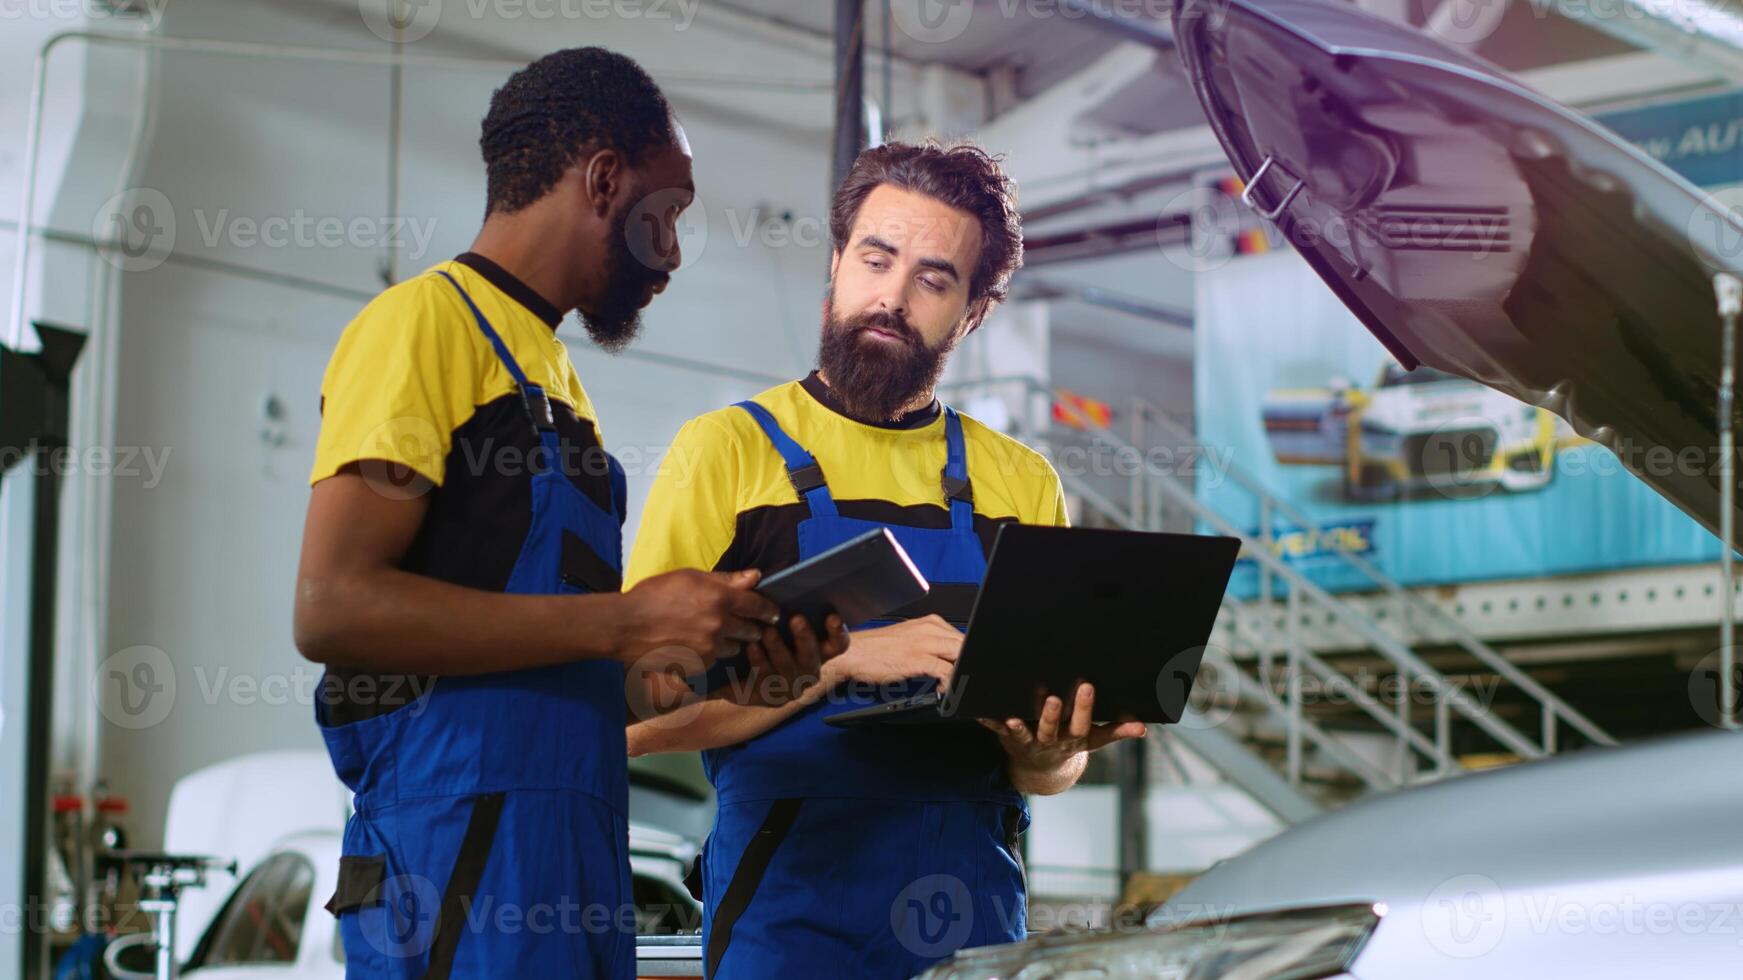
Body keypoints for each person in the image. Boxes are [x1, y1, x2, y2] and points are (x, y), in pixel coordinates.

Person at [292, 47, 843, 979]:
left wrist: (706, 675)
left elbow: (547, 655)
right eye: (666, 217)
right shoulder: (421, 326)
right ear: (600, 179)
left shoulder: (552, 378)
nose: (670, 255)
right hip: (454, 861)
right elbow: (332, 607)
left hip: (571, 850)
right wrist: (629, 617)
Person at [624, 141, 1149, 978]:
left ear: (971, 312)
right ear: (835, 264)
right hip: (787, 919)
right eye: (875, 260)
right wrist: (837, 663)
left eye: (934, 280)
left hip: (974, 918)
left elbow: (1049, 772)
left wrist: (1048, 750)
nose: (892, 298)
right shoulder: (723, 452)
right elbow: (633, 720)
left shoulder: (1021, 483)